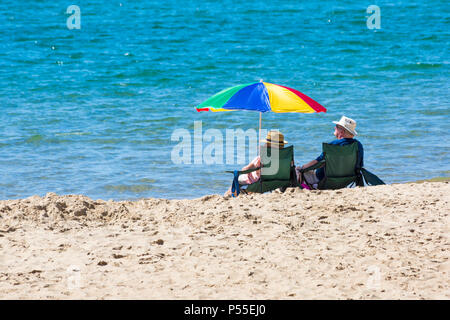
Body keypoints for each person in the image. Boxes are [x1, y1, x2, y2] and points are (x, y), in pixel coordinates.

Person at [297, 116, 364, 189]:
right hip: (347, 180)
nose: (334, 128)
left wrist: (302, 168)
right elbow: (359, 165)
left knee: (296, 171)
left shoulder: (333, 145)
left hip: (324, 179)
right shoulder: (358, 145)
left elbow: (318, 161)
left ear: (342, 131)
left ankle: (311, 186)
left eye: (336, 126)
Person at [224, 130, 287, 197]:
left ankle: (231, 193)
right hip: (272, 181)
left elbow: (248, 168)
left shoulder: (263, 157)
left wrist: (244, 170)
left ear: (268, 145)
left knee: (238, 179)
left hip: (258, 180)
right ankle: (245, 191)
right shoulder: (284, 157)